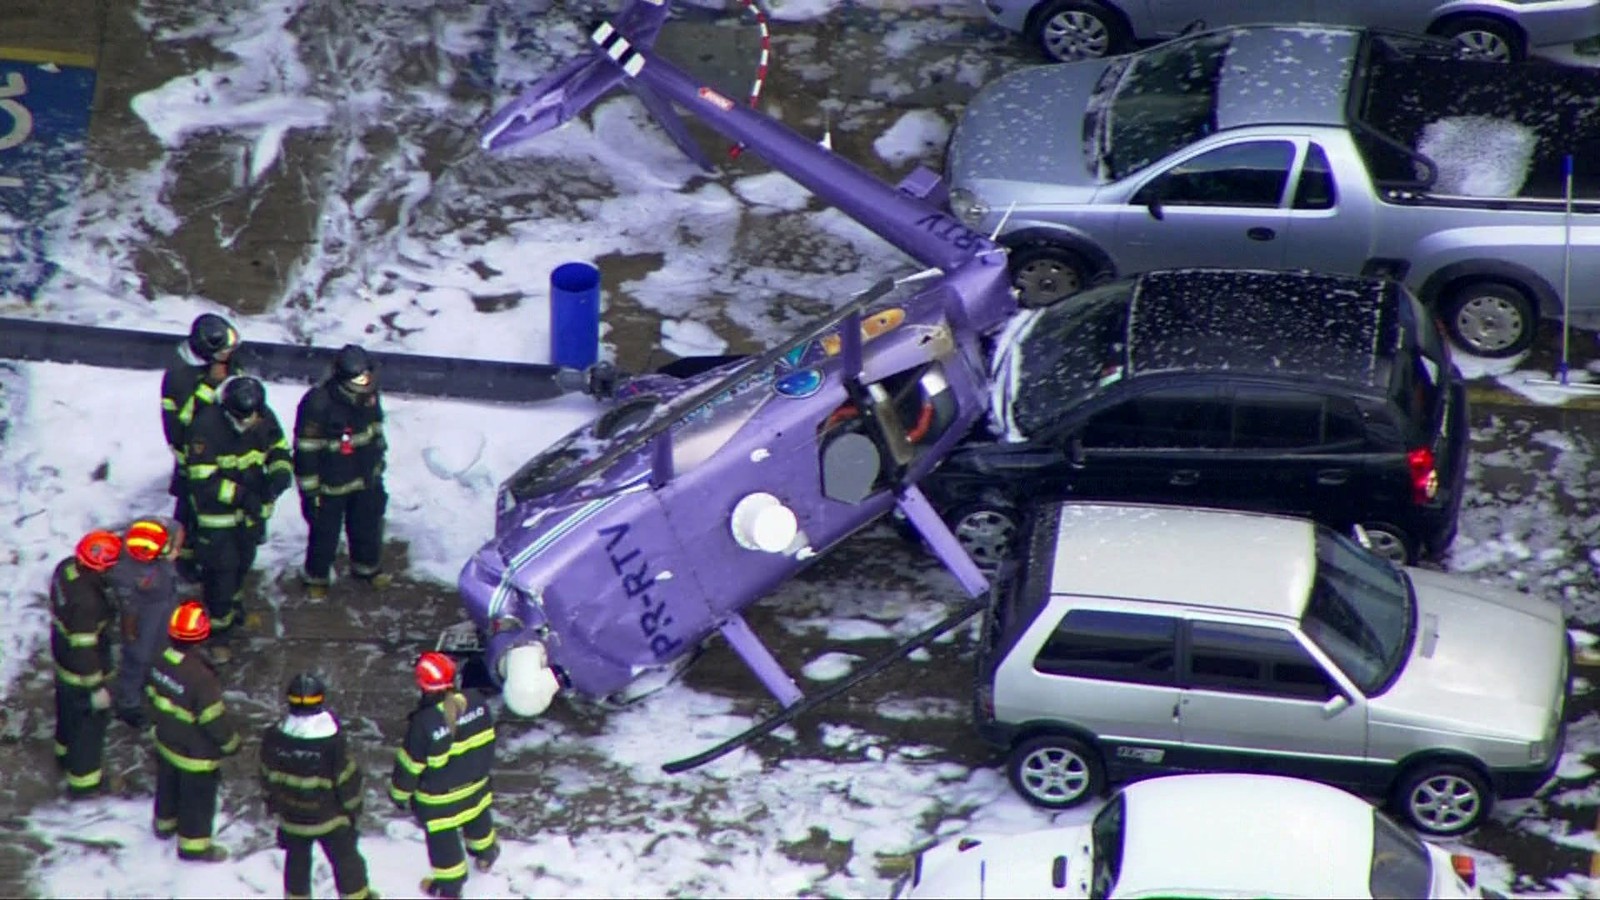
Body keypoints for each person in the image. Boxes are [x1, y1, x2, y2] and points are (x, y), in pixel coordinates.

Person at [184, 374, 291, 661]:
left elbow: (278, 447)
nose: (251, 421)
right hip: (217, 517)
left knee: (243, 562)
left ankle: (232, 608)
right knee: (221, 572)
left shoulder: (261, 415)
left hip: (251, 514)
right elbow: (202, 481)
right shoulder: (206, 429)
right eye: (244, 417)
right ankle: (218, 633)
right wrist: (243, 496)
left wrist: (281, 472)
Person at [389, 652, 500, 899]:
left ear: (422, 683)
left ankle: (450, 888)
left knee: (444, 843)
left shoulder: (424, 723)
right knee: (478, 820)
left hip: (440, 802)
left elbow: (409, 766)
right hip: (476, 787)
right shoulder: (477, 702)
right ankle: (486, 855)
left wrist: (398, 794)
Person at [260, 672, 375, 900]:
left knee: (297, 861)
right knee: (346, 859)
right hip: (329, 817)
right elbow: (346, 780)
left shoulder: (274, 736)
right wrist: (353, 810)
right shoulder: (332, 741)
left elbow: (267, 775)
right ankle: (356, 895)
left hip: (292, 816)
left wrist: (275, 804)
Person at [294, 344, 391, 599]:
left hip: (365, 478)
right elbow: (307, 450)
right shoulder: (318, 403)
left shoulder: (369, 396)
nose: (366, 382)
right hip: (331, 485)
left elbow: (375, 428)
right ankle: (316, 577)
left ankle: (366, 569)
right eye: (360, 378)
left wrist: (377, 464)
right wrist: (310, 491)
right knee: (324, 535)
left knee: (367, 527)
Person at [147, 601, 241, 862]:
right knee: (197, 800)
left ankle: (164, 824)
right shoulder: (201, 678)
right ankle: (194, 846)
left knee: (167, 784)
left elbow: (150, 698)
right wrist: (231, 743)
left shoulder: (159, 659)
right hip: (195, 753)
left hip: (167, 741)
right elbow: (213, 720)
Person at [161, 313, 244, 578]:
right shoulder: (180, 377)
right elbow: (184, 422)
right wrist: (211, 385)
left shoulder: (225, 363)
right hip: (192, 455)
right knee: (190, 508)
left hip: (219, 448)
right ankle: (185, 560)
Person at [49, 530, 121, 799]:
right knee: (88, 727)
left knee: (66, 713)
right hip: (82, 673)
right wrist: (96, 687)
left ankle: (63, 752)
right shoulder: (86, 604)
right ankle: (84, 783)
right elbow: (85, 647)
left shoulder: (66, 568)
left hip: (63, 658)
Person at [107, 517, 185, 729]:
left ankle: (154, 679)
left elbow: (177, 528)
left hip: (166, 600)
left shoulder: (151, 529)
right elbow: (128, 611)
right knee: (137, 656)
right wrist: (131, 634)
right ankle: (128, 702)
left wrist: (174, 548)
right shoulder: (124, 573)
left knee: (164, 646)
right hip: (145, 610)